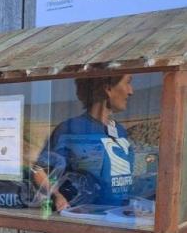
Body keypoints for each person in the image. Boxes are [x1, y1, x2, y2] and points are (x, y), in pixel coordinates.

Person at [33, 75, 135, 211]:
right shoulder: (72, 129)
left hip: (121, 217)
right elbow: (39, 170)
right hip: (87, 220)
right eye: (128, 83)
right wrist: (57, 196)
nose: (131, 91)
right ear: (108, 89)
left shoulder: (120, 130)